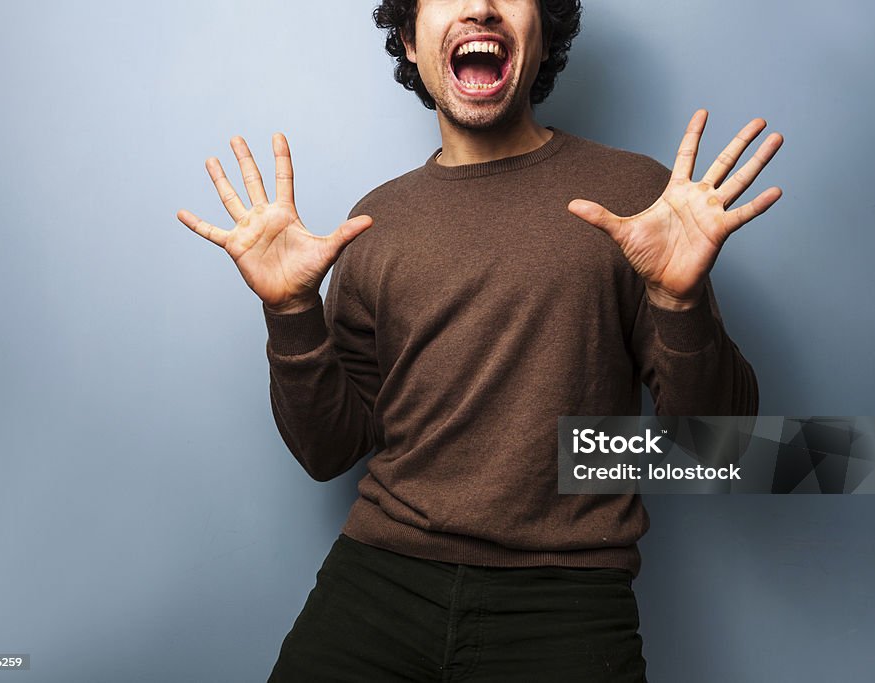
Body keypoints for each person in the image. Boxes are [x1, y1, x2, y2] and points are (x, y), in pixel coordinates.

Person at [176, 1, 783, 680]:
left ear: (544, 29)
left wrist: (680, 300)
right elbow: (328, 450)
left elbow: (718, 448)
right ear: (409, 38)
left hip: (566, 603)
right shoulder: (376, 223)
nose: (480, 6)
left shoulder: (636, 199)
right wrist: (290, 310)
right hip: (377, 583)